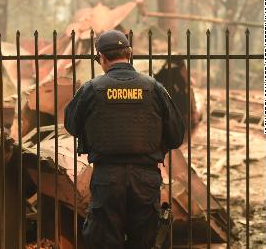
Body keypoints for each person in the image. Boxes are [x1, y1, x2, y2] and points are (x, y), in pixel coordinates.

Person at [64, 30, 185, 249]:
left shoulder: (91, 89)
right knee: (145, 242)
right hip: (146, 180)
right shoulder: (154, 88)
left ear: (101, 58)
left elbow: (71, 125)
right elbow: (176, 136)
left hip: (107, 179)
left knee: (104, 241)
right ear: (129, 53)